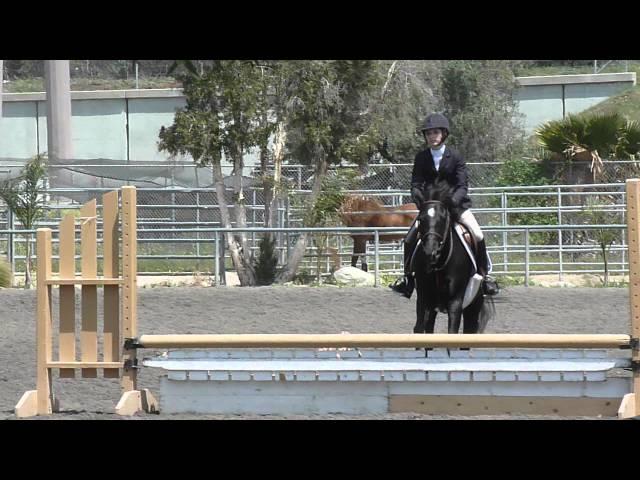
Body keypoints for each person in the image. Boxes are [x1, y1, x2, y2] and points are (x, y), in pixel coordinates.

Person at [390, 113, 499, 299]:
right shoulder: (421, 157)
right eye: (429, 133)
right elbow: (415, 184)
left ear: (444, 134)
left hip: (455, 207)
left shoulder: (455, 156)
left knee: (478, 234)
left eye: (436, 132)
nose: (432, 136)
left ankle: (485, 277)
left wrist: (453, 201)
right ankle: (407, 278)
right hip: (431, 210)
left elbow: (462, 185)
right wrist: (421, 202)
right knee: (409, 238)